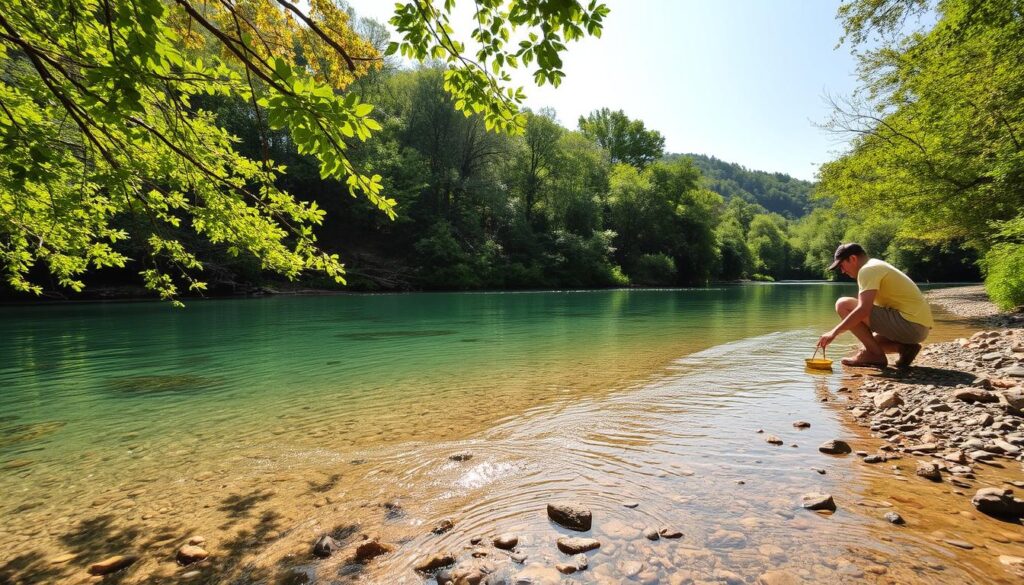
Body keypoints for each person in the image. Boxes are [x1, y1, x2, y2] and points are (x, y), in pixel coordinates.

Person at [817, 243, 933, 368]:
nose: (842, 271)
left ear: (853, 259)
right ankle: (905, 348)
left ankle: (875, 356)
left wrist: (833, 332)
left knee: (843, 304)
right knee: (870, 343)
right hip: (918, 328)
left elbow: (863, 310)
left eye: (841, 265)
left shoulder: (867, 270)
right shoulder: (875, 265)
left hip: (910, 325)